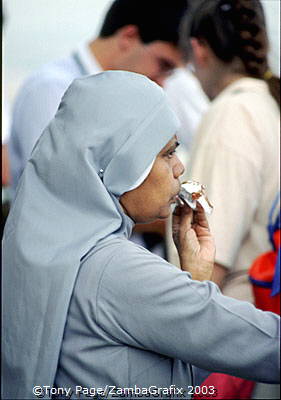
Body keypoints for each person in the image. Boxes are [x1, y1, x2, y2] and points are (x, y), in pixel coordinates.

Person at [2, 71, 279, 400]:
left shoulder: (40, 251)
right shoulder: (116, 268)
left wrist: (193, 278)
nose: (179, 168)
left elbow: (174, 365)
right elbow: (265, 345)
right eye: (167, 153)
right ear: (120, 163)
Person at [179, 0, 280, 398]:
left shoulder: (233, 113)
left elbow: (206, 264)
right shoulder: (271, 105)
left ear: (199, 49)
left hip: (234, 353)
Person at [8, 0, 208, 197]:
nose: (162, 83)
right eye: (163, 65)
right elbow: (63, 192)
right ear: (128, 37)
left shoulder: (124, 95)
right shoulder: (51, 90)